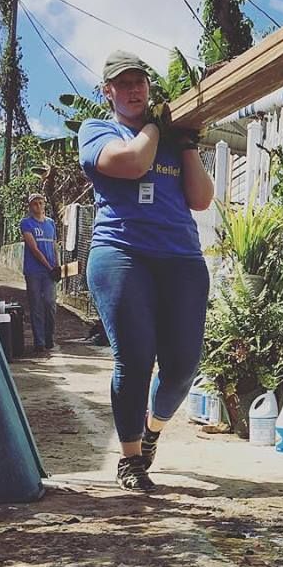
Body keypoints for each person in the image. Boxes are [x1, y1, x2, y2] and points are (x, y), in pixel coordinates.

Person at [78, 50, 215, 492]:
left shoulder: (175, 141)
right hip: (122, 252)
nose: (134, 90)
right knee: (135, 358)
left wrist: (189, 143)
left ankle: (153, 429)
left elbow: (200, 198)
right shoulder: (97, 130)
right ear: (108, 92)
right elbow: (133, 162)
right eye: (124, 84)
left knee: (181, 367)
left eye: (140, 82)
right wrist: (158, 125)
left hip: (181, 258)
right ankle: (132, 459)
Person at [20, 193, 60, 355]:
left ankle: (49, 337)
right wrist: (48, 266)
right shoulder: (26, 223)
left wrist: (57, 266)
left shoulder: (50, 223)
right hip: (34, 271)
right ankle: (39, 341)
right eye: (35, 203)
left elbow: (54, 245)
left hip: (50, 271)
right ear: (30, 206)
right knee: (36, 305)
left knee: (50, 304)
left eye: (41, 203)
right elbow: (34, 248)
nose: (38, 206)